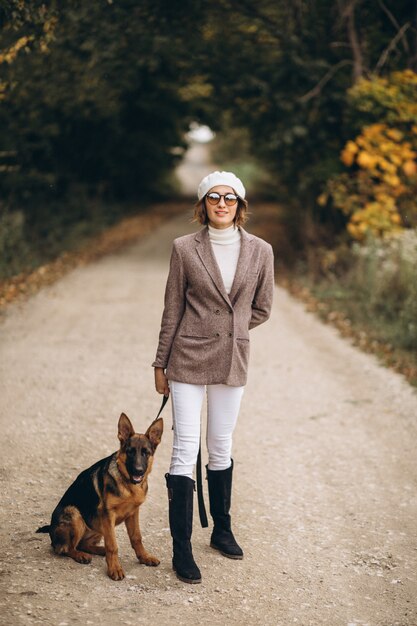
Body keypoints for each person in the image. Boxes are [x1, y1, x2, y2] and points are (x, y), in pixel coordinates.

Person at [152, 170, 274, 584]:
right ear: (202, 204)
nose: (222, 204)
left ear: (240, 205)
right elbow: (172, 308)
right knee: (185, 446)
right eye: (213, 197)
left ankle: (222, 529)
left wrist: (231, 332)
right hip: (186, 355)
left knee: (221, 443)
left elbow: (262, 308)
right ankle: (181, 549)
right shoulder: (184, 248)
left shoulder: (261, 251)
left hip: (231, 358)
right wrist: (159, 364)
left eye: (230, 198)